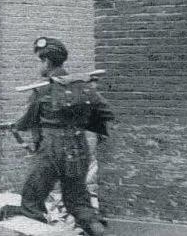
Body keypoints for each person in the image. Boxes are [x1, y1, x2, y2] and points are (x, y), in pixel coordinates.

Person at [14, 37, 114, 236]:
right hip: (79, 147)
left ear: (47, 62)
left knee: (32, 200)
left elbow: (26, 123)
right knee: (78, 202)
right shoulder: (84, 86)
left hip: (51, 149)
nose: (39, 66)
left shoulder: (43, 88)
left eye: (40, 61)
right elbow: (106, 113)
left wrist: (16, 125)